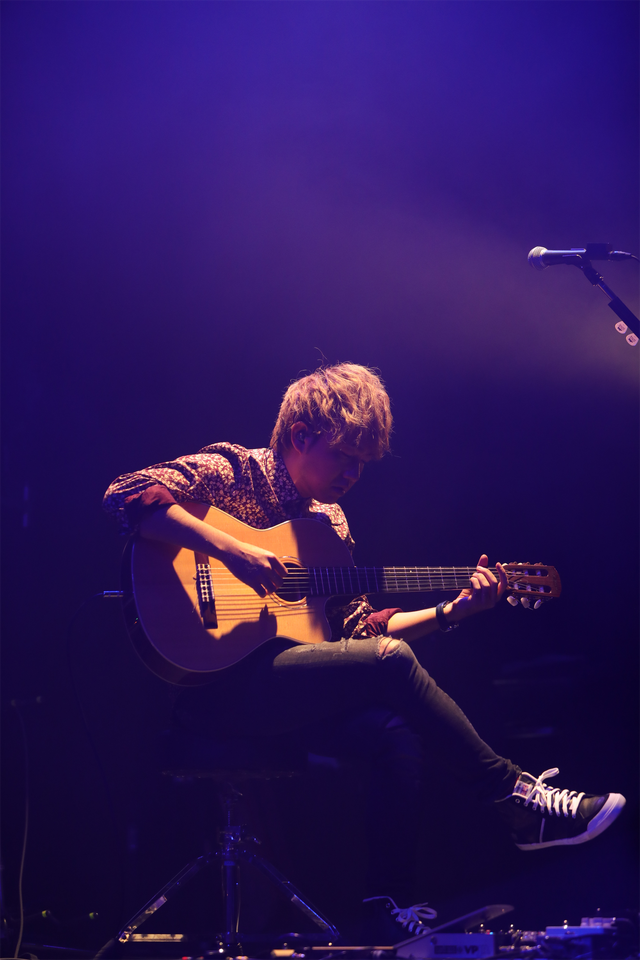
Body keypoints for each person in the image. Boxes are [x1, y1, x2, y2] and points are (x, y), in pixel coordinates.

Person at [103, 363, 625, 937]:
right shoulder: (235, 471)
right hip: (215, 689)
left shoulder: (330, 524)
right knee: (390, 664)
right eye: (343, 456)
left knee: (392, 730)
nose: (353, 474)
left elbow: (358, 632)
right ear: (300, 436)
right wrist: (233, 551)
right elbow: (124, 493)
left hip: (286, 694)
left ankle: (388, 910)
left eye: (362, 464)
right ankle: (515, 797)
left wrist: (451, 612)